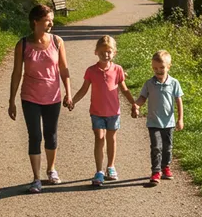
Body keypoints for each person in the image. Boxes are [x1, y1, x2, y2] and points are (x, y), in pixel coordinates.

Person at [8, 4, 73, 194]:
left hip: (53, 96)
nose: (51, 24)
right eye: (47, 20)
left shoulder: (57, 41)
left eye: (51, 20)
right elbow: (16, 73)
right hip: (30, 97)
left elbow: (64, 69)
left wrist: (68, 93)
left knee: (51, 134)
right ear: (35, 22)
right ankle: (36, 178)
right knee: (35, 136)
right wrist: (11, 100)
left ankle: (51, 169)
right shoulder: (23, 44)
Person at [70, 35, 138, 186]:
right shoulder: (91, 71)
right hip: (97, 112)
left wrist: (134, 103)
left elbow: (124, 89)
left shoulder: (117, 70)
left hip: (113, 112)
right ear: (96, 52)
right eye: (102, 52)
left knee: (111, 139)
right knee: (99, 138)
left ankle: (111, 166)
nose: (105, 55)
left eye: (109, 52)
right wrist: (73, 101)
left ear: (114, 53)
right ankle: (99, 171)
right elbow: (83, 89)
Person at [133, 49, 184, 186]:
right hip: (153, 121)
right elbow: (143, 97)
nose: (158, 70)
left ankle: (165, 167)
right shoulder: (149, 84)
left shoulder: (174, 83)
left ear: (169, 66)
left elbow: (178, 101)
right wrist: (137, 106)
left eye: (161, 67)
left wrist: (180, 119)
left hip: (169, 122)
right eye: (155, 68)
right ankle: (155, 171)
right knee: (156, 147)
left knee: (167, 147)